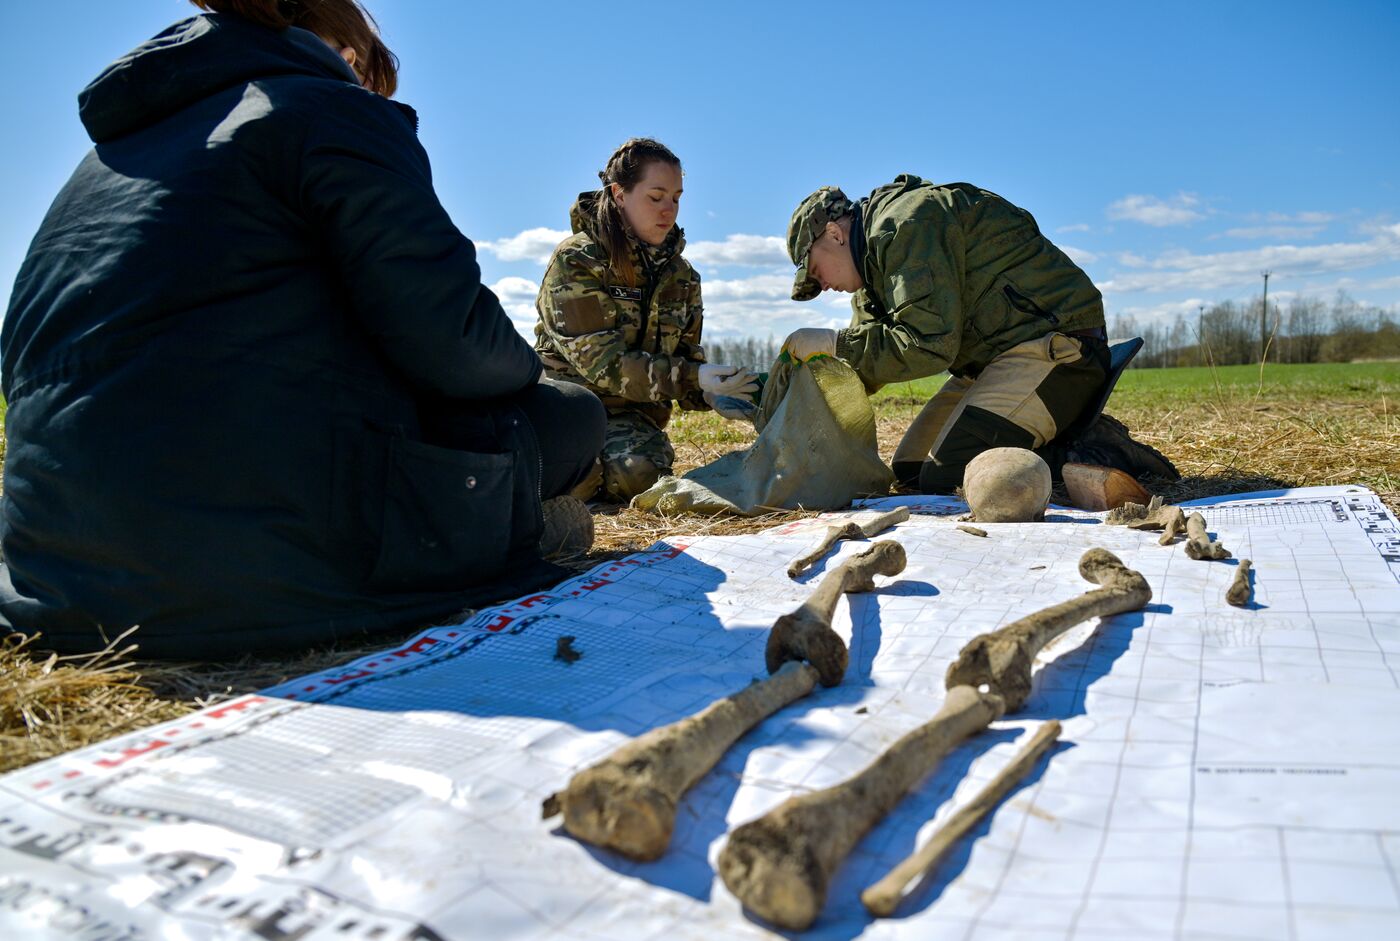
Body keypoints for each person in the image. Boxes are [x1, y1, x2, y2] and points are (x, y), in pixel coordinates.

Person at [0, 0, 604, 659]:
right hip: (245, 564)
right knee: (569, 415)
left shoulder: (102, 160)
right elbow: (455, 342)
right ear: (346, 53)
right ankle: (509, 531)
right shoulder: (331, 109)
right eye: (371, 76)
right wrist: (527, 373)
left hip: (57, 579)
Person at [780, 175, 1177, 493]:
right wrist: (774, 392)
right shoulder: (871, 273)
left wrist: (834, 343)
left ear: (834, 233)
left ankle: (1093, 447)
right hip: (989, 364)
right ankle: (1049, 430)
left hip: (1056, 348)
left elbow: (926, 344)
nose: (824, 286)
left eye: (816, 272)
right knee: (913, 472)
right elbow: (867, 365)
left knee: (950, 472)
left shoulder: (907, 225)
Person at [534, 138, 759, 503]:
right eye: (656, 197)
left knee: (639, 472)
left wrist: (709, 391)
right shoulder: (578, 261)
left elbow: (685, 358)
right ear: (619, 194)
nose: (669, 210)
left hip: (631, 418)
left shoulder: (682, 276)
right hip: (569, 411)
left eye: (676, 197)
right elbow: (606, 365)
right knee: (574, 481)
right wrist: (692, 377)